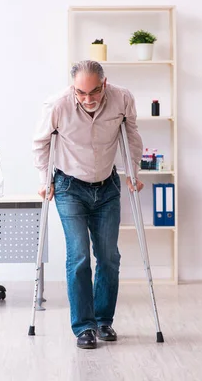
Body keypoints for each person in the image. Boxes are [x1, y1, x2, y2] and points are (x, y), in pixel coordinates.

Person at [32, 60, 144, 349]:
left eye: (93, 92)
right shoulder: (57, 105)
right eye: (81, 93)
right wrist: (45, 179)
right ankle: (84, 327)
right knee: (79, 255)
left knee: (108, 257)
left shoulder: (122, 98)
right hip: (70, 186)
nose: (88, 99)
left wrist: (134, 172)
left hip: (107, 186)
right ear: (73, 88)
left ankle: (103, 321)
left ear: (104, 84)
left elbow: (131, 135)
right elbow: (41, 142)